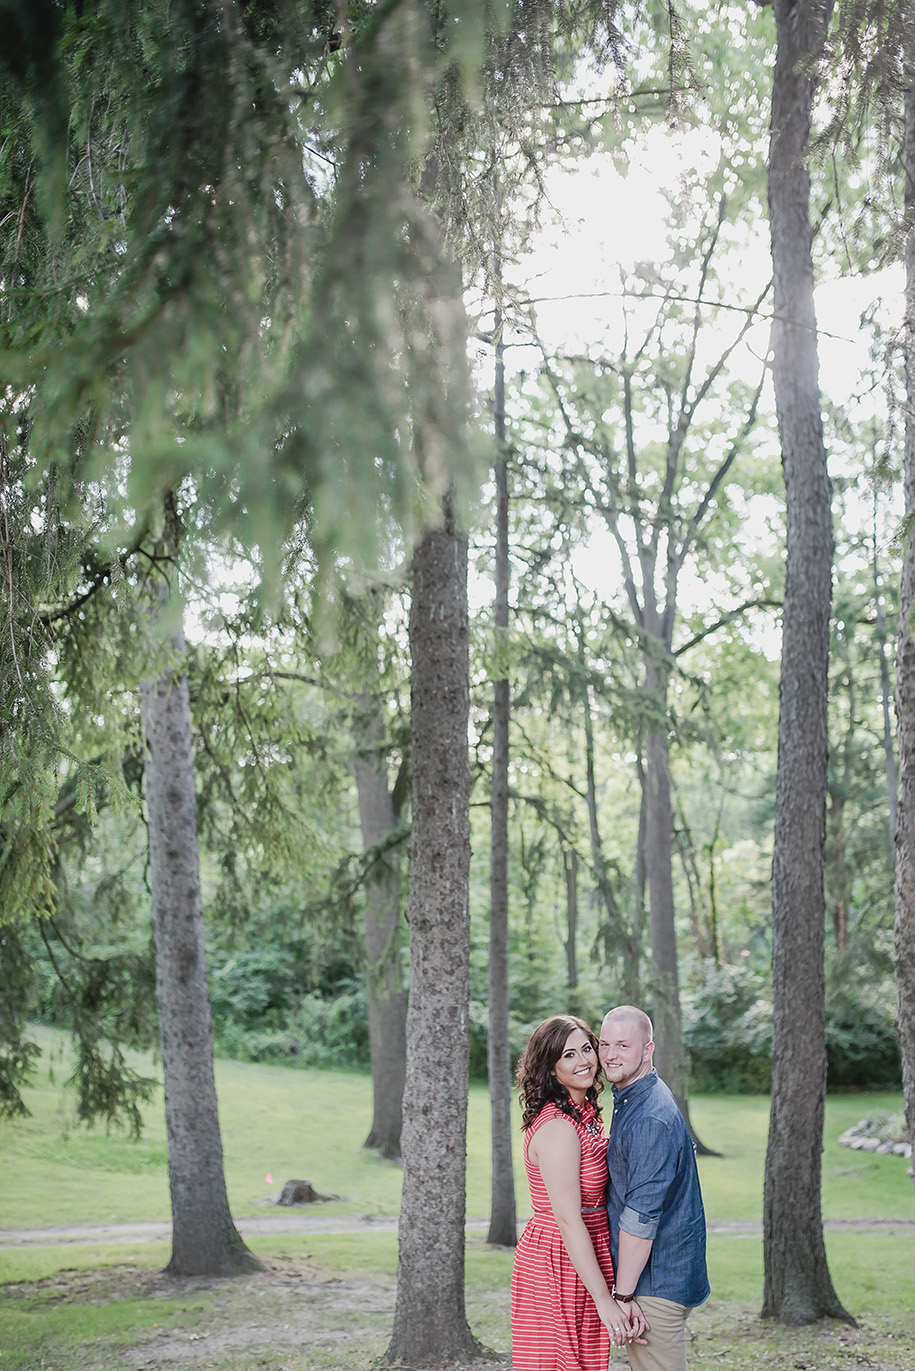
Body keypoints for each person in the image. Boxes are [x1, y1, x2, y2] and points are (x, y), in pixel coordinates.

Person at [511, 1014, 641, 1370]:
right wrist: (603, 1298)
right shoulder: (558, 1127)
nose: (584, 1060)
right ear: (551, 1068)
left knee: (585, 1361)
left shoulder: (584, 1114)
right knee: (562, 1362)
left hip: (587, 1249)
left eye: (587, 1048)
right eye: (568, 1055)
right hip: (559, 1255)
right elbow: (567, 1219)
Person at [598, 1005, 710, 1371]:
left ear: (648, 1050)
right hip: (660, 1275)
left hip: (654, 1284)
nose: (610, 1055)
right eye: (604, 1044)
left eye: (623, 1046)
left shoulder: (648, 1116)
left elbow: (641, 1219)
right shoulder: (634, 1097)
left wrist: (623, 1294)